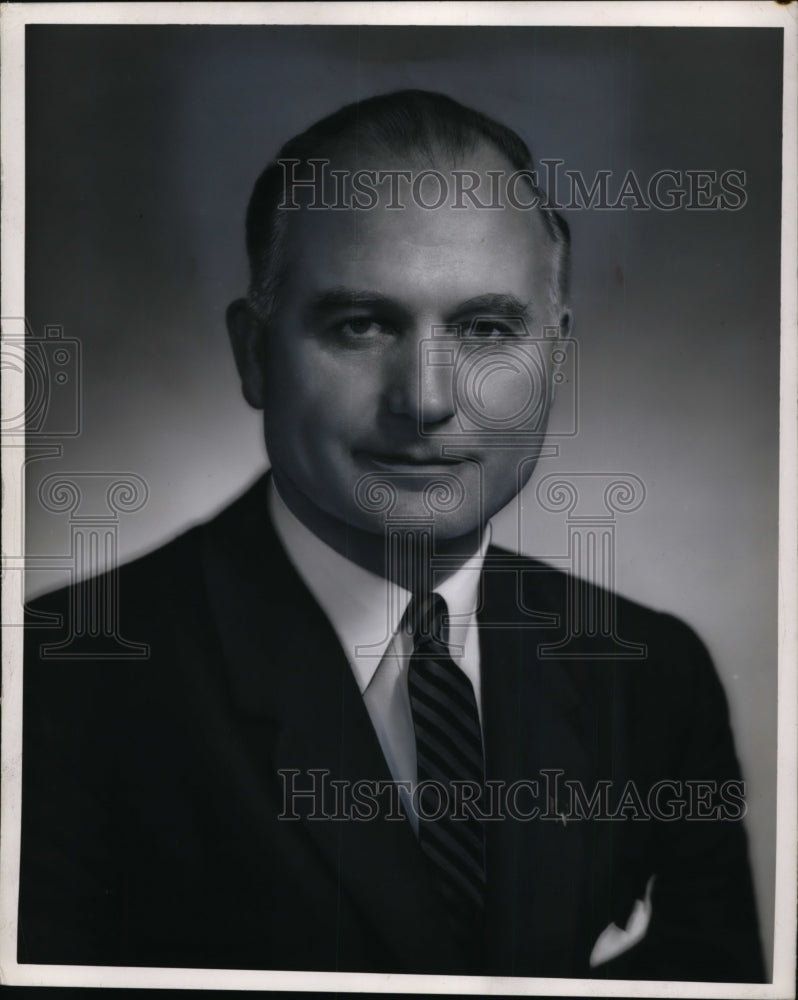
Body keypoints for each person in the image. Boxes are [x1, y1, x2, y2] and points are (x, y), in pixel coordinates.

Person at [18, 90, 765, 982]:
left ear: (556, 362)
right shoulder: (59, 687)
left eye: (487, 329)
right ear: (255, 354)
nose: (426, 399)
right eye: (361, 325)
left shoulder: (654, 676)